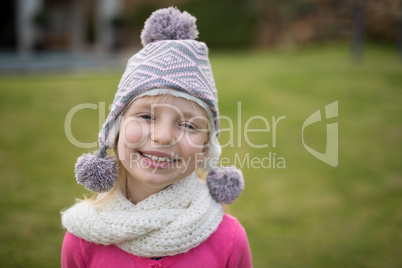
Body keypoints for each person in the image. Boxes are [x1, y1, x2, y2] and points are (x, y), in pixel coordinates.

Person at [61, 7, 252, 268]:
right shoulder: (82, 241)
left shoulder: (228, 239)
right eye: (147, 117)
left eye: (187, 125)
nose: (163, 137)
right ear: (115, 130)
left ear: (206, 148)